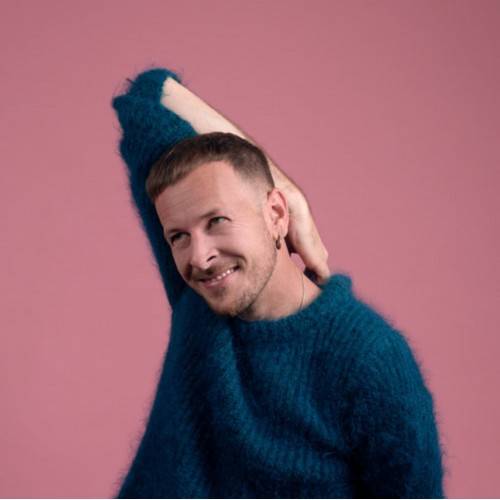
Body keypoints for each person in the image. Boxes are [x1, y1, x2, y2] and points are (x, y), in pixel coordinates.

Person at [111, 67, 446, 498]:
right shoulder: (199, 304)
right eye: (178, 236)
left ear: (274, 215)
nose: (200, 257)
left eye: (217, 221)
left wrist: (286, 194)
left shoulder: (370, 358)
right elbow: (149, 95)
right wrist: (290, 193)